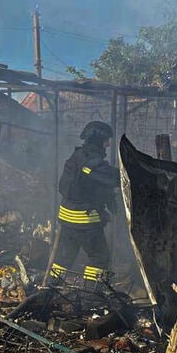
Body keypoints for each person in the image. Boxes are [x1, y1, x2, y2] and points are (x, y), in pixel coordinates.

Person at [51, 121, 120, 288]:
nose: (108, 144)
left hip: (66, 217)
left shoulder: (77, 156)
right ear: (98, 140)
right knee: (99, 257)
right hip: (83, 220)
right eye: (106, 140)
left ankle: (52, 289)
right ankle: (93, 295)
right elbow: (113, 178)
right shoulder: (92, 163)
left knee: (64, 257)